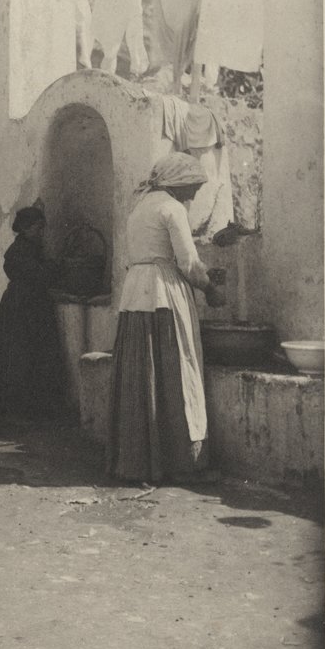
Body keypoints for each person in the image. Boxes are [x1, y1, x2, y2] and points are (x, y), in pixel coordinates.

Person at [107, 152, 225, 485]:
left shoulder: (139, 207)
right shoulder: (172, 208)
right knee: (173, 369)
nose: (194, 194)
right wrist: (210, 289)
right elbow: (187, 264)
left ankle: (137, 460)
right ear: (178, 183)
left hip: (136, 292)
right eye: (192, 187)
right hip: (163, 294)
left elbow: (154, 252)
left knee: (141, 373)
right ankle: (179, 462)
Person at [0, 206, 64, 421]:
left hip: (32, 305)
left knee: (33, 356)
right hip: (20, 307)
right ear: (26, 228)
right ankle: (16, 411)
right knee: (18, 356)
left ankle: (31, 409)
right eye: (38, 228)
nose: (41, 232)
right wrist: (55, 268)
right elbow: (38, 275)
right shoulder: (18, 252)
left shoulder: (31, 248)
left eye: (42, 228)